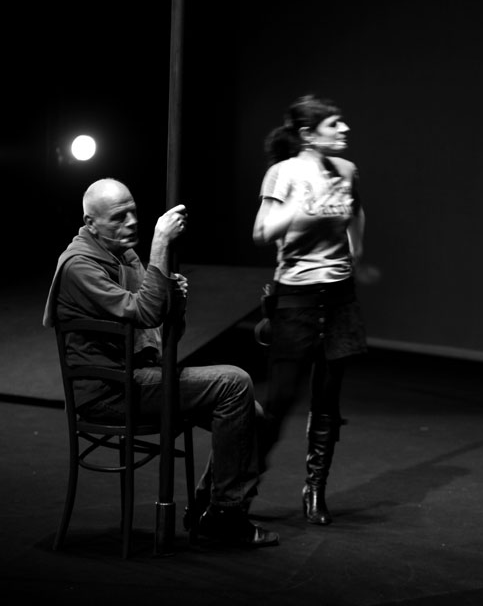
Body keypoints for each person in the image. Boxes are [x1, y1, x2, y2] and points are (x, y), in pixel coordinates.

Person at [43, 177, 278, 548]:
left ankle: (208, 509)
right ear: (91, 223)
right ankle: (227, 516)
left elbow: (163, 331)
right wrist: (160, 246)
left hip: (138, 377)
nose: (132, 221)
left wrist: (176, 301)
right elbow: (143, 311)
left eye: (133, 212)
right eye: (119, 217)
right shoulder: (79, 267)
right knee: (234, 382)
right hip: (110, 392)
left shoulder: (124, 257)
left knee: (255, 416)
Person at [252, 94, 368, 526]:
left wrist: (356, 252)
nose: (344, 129)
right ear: (307, 134)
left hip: (338, 299)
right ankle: (238, 484)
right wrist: (297, 210)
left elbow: (356, 211)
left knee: (327, 402)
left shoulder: (347, 171)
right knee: (280, 399)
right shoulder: (283, 173)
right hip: (296, 300)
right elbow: (261, 232)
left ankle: (315, 489)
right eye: (334, 124)